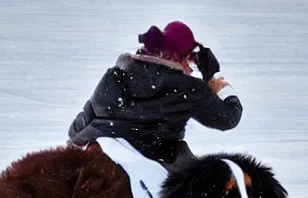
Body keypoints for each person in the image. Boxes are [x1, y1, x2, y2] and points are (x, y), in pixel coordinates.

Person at [68, 21, 243, 172]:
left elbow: (83, 120)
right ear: (180, 56)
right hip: (159, 158)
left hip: (106, 150)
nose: (190, 69)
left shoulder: (116, 74)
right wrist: (217, 85)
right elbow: (228, 118)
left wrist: (74, 145)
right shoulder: (187, 88)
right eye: (189, 60)